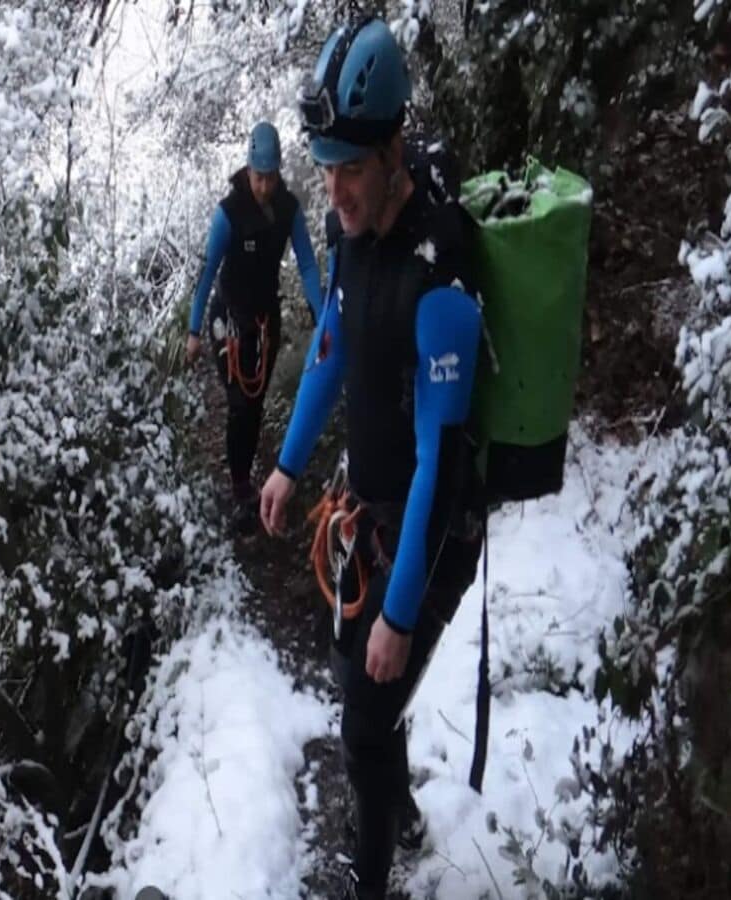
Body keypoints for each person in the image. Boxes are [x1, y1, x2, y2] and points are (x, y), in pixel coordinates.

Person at [259, 17, 485, 900]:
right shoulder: (353, 230)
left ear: (394, 148)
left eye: (351, 167)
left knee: (361, 717)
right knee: (359, 680)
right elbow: (333, 344)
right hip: (373, 504)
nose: (335, 188)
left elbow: (441, 458)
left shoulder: (442, 285)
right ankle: (401, 814)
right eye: (326, 166)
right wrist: (286, 462)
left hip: (433, 529)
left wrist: (399, 612)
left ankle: (371, 874)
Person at [186, 121, 323, 534]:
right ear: (248, 170)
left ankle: (248, 474)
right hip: (228, 317)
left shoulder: (288, 209)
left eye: (270, 177)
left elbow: (307, 263)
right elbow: (207, 272)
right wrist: (194, 331)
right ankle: (241, 487)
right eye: (258, 177)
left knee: (256, 401)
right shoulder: (229, 213)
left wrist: (322, 316)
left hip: (265, 319)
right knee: (240, 402)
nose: (264, 185)